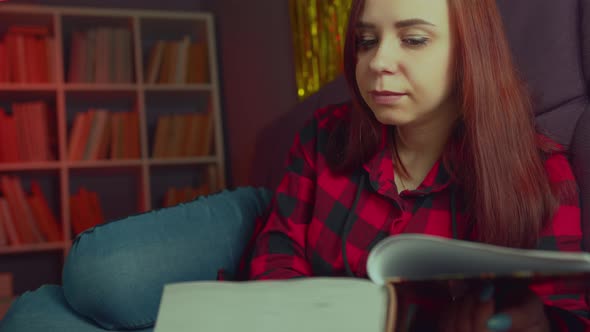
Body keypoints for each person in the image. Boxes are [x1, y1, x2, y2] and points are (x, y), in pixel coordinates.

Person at [242, 0, 590, 331]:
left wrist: (536, 323)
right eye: (366, 41)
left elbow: (566, 312)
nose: (378, 61)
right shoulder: (323, 135)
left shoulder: (541, 175)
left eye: (413, 40)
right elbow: (277, 257)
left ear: (471, 51)